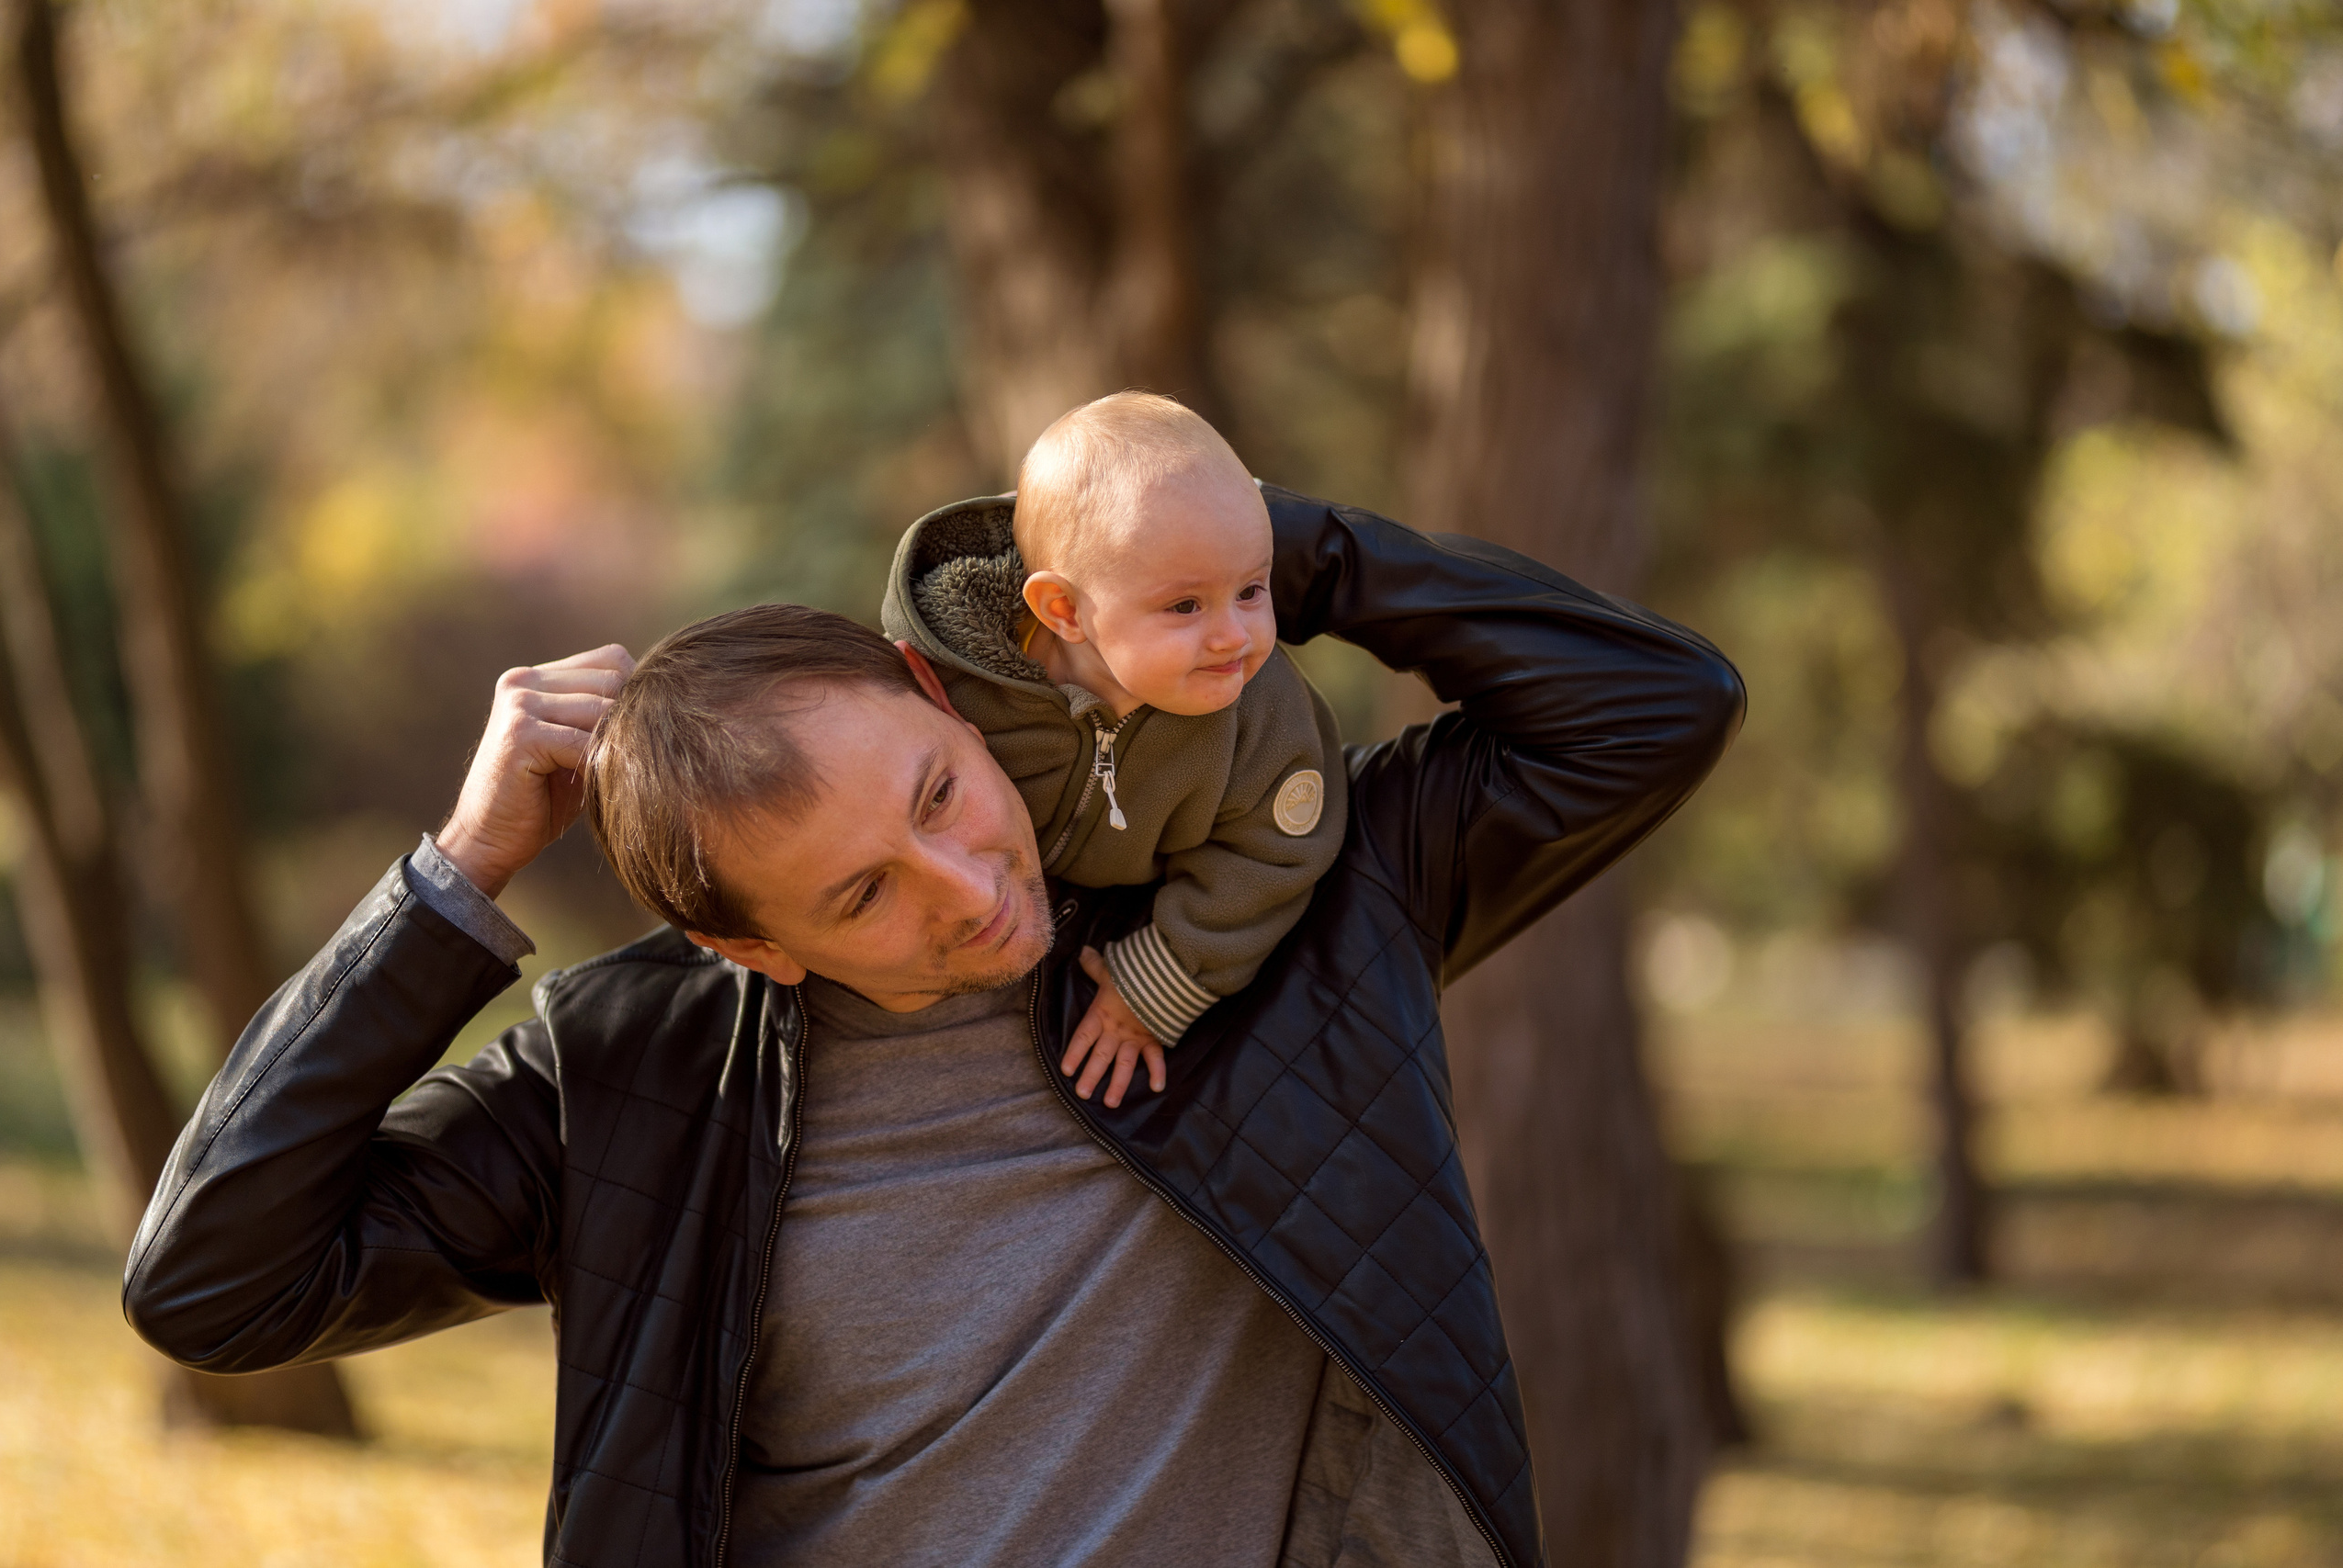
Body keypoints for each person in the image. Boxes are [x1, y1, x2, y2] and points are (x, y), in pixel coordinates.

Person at [121, 487, 1743, 1568]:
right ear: (742, 943)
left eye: (944, 793)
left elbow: (1655, 705)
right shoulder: (630, 1072)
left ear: (945, 696)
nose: (971, 888)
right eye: (865, 896)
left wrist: (1204, 543)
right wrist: (454, 877)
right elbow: (215, 1282)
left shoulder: (1274, 904)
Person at [883, 392, 1345, 1109]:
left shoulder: (1260, 712)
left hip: (1132, 924)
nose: (1235, 636)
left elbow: (1276, 855)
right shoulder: (957, 683)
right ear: (1064, 611)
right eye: (1185, 606)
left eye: (1251, 589)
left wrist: (1157, 982)